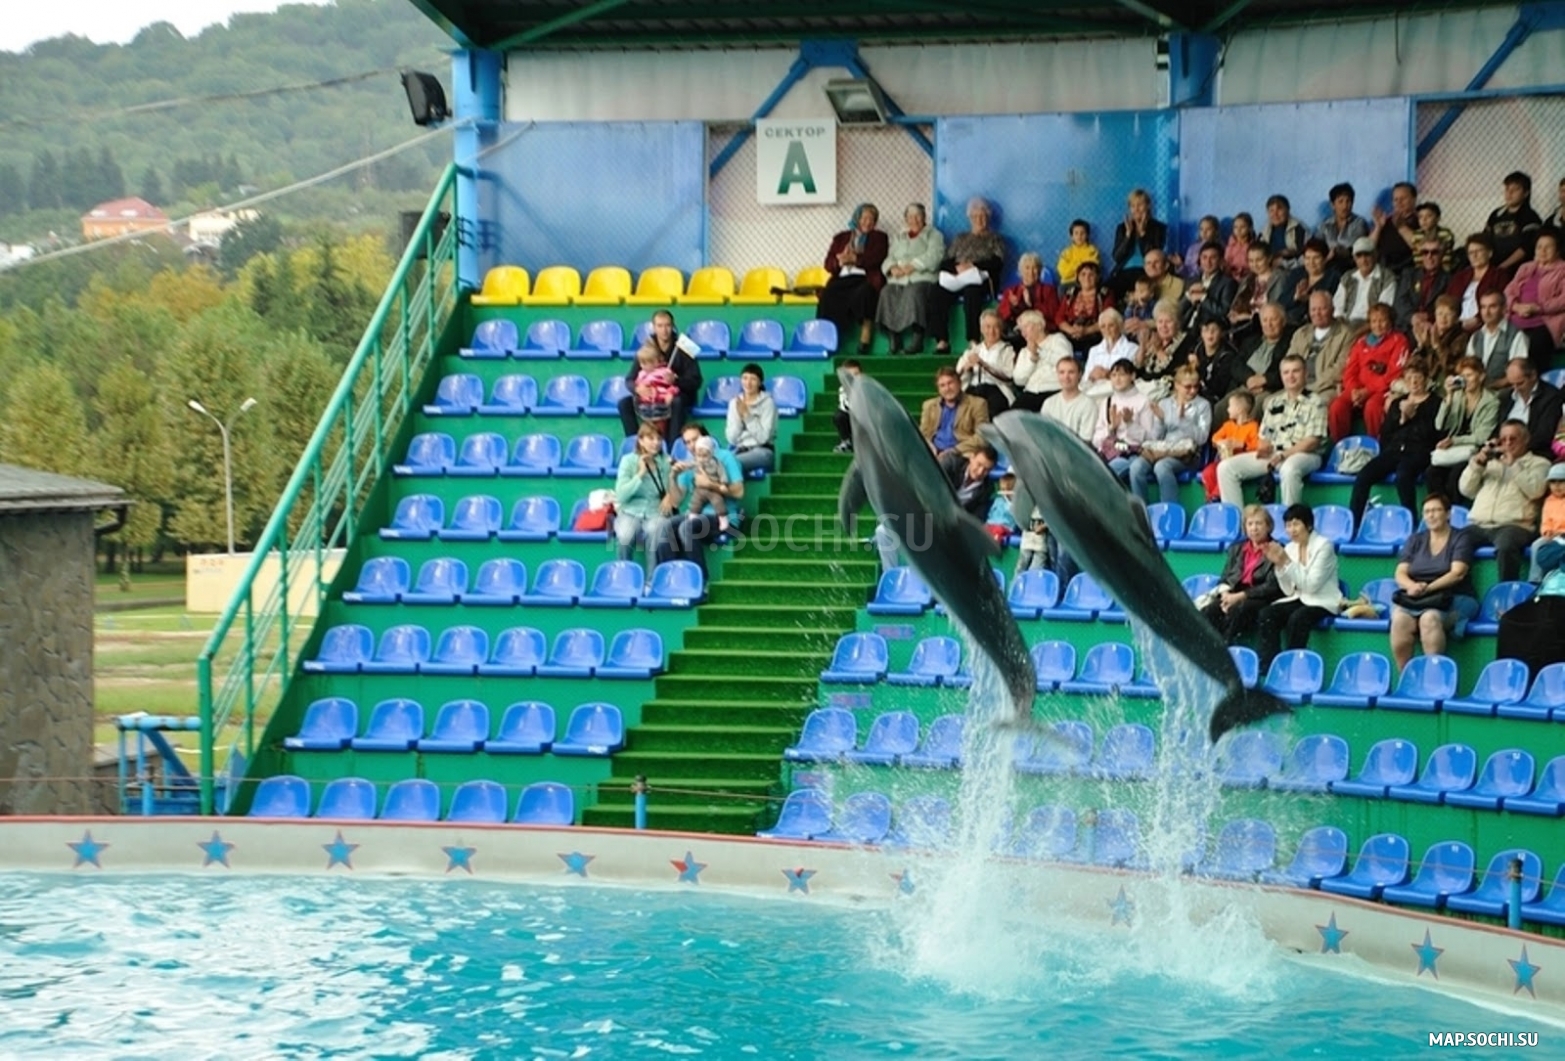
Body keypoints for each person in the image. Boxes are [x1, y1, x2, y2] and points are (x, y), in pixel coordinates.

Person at [1217, 354, 1327, 507]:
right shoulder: (1273, 402)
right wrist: (1263, 446)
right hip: (1274, 455)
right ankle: (1237, 524)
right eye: (1286, 372)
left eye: (1296, 371)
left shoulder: (1316, 402)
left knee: (1289, 469)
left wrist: (1284, 455)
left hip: (1304, 455)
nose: (1291, 376)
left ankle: (1290, 523)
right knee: (1226, 468)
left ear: (1305, 373)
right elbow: (1264, 437)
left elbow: (1312, 442)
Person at [1388, 494, 1479, 672]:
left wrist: (1427, 588)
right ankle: (1406, 678)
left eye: (1437, 510)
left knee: (1429, 618)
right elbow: (1400, 572)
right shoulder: (1415, 539)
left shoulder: (1461, 538)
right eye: (1427, 512)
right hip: (1418, 596)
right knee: (1399, 621)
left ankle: (1433, 678)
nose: (1431, 515)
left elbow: (1457, 573)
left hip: (1455, 596)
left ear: (1448, 514)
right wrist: (1411, 586)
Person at [872, 445, 997, 571]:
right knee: (883, 532)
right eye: (979, 464)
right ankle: (890, 575)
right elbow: (928, 489)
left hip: (950, 532)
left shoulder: (986, 489)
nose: (980, 471)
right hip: (924, 516)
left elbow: (977, 519)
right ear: (971, 457)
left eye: (986, 470)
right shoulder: (951, 463)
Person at [1346, 358, 1441, 525]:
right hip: (1394, 450)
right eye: (1409, 377)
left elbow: (1434, 434)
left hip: (1419, 451)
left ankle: (1410, 522)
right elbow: (1386, 433)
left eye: (1418, 376)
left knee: (1403, 475)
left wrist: (1413, 417)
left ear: (1426, 378)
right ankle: (1353, 524)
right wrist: (1403, 419)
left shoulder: (1436, 403)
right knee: (1364, 475)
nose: (1414, 381)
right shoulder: (1397, 403)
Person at [1459, 418, 1551, 582]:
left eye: (1513, 438)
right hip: (1479, 524)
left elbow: (1536, 491)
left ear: (1526, 440)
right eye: (1503, 439)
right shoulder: (1489, 463)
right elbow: (1466, 490)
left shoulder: (1539, 463)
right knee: (1456, 540)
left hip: (1515, 525)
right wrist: (1478, 464)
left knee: (1506, 545)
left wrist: (1514, 465)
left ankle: (1506, 591)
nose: (1507, 443)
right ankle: (1461, 591)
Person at [1255, 504, 1343, 673]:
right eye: (1288, 525)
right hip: (1299, 598)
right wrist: (1279, 565)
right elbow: (1288, 590)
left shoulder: (1324, 546)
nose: (1291, 530)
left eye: (1296, 524)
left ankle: (1292, 668)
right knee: (1267, 614)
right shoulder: (1289, 548)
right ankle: (1269, 667)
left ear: (1308, 525)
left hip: (1322, 601)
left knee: (1298, 618)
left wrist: (1285, 562)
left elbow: (1311, 585)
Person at [666, 423, 744, 578]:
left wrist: (710, 485)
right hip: (696, 516)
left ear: (706, 439)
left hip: (723, 517)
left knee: (686, 527)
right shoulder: (691, 463)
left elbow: (739, 492)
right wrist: (673, 477)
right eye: (687, 442)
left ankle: (701, 581)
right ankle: (670, 578)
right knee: (666, 525)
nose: (691, 445)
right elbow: (676, 501)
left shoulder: (725, 457)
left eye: (695, 439)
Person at [928, 197, 1006, 354]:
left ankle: (973, 339)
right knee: (936, 292)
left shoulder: (995, 239)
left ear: (988, 218)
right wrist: (956, 268)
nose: (980, 220)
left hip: (980, 279)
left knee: (972, 291)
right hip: (957, 279)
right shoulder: (960, 238)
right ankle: (942, 340)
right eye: (976, 216)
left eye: (983, 216)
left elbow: (998, 262)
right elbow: (945, 262)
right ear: (970, 218)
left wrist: (973, 265)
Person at [1201, 504, 1283, 645]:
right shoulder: (1236, 548)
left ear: (1268, 526)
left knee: (1237, 610)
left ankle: (1225, 648)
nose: (1254, 528)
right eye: (1250, 524)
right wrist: (1226, 594)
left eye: (1259, 523)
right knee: (1210, 610)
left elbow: (1271, 587)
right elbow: (1225, 577)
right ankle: (1206, 648)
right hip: (1233, 593)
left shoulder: (1277, 549)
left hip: (1259, 597)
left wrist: (1239, 597)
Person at [1424, 355, 1500, 506]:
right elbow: (1440, 425)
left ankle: (1455, 513)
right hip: (1453, 449)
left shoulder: (1492, 401)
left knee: (1455, 475)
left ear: (1481, 376)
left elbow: (1481, 436)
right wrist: (1449, 397)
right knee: (1432, 473)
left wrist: (1454, 440)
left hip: (1474, 450)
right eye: (1463, 376)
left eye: (1470, 375)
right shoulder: (1457, 396)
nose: (1466, 379)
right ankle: (1440, 510)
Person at [615, 310, 702, 440]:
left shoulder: (684, 346)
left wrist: (675, 381)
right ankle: (635, 443)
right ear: (654, 327)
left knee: (677, 401)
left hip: (678, 394)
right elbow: (629, 379)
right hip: (652, 394)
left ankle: (672, 445)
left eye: (667, 325)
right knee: (624, 403)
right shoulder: (647, 347)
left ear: (673, 326)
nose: (664, 330)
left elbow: (696, 381)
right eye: (660, 326)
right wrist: (638, 389)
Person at [1131, 365, 1211, 505]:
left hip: (1187, 454)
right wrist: (1161, 420)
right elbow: (1156, 437)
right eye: (1188, 387)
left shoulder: (1203, 405)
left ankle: (1170, 509)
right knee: (1136, 467)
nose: (1192, 391)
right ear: (1177, 385)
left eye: (1196, 387)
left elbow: (1202, 438)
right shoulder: (1165, 403)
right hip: (1163, 449)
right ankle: (1141, 509)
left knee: (1162, 467)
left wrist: (1184, 421)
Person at [1329, 303, 1411, 440]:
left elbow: (1394, 374)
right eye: (1374, 321)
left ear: (1390, 321)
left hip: (1383, 389)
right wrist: (1354, 390)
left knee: (1373, 407)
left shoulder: (1399, 341)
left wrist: (1368, 391)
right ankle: (1339, 445)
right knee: (1337, 406)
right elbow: (1350, 371)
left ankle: (1377, 444)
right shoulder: (1361, 342)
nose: (1378, 325)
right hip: (1357, 388)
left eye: (1382, 320)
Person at [817, 203, 888, 355]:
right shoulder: (841, 238)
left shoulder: (879, 238)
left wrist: (855, 259)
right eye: (864, 218)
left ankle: (866, 333)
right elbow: (828, 263)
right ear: (857, 218)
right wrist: (840, 261)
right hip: (842, 278)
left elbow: (877, 258)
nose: (867, 222)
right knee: (828, 295)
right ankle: (828, 338)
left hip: (864, 278)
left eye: (871, 219)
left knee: (866, 293)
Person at [875, 202, 944, 354]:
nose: (914, 220)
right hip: (898, 279)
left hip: (922, 277)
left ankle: (917, 338)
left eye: (918, 216)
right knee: (887, 292)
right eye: (910, 216)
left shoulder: (934, 234)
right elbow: (889, 258)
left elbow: (935, 256)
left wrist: (913, 266)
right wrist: (892, 268)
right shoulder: (899, 237)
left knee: (914, 292)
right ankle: (894, 337)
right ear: (906, 219)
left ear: (924, 217)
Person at [613, 422, 678, 579]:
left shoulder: (666, 462)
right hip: (630, 510)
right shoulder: (628, 461)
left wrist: (670, 495)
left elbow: (679, 487)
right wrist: (640, 473)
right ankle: (624, 578)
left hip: (656, 511)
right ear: (641, 440)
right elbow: (621, 495)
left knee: (655, 533)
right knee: (625, 536)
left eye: (658, 438)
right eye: (651, 438)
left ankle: (651, 581)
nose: (656, 443)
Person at [1503, 229, 1565, 370]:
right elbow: (1508, 291)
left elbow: (1563, 300)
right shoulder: (1525, 268)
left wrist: (1538, 308)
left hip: (1544, 323)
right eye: (1539, 247)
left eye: (1548, 247)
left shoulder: (1563, 270)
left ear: (1558, 250)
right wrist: (1516, 306)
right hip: (1515, 318)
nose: (1542, 250)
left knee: (1535, 348)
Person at [1093, 358, 1159, 485]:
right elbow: (1096, 440)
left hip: (1133, 454)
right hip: (1110, 453)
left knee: (1109, 472)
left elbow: (1150, 438)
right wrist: (1111, 428)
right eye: (1114, 375)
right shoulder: (1107, 402)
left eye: (1122, 374)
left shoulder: (1143, 401)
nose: (1117, 379)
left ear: (1132, 376)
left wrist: (1130, 423)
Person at [1285, 289, 1352, 406]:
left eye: (1322, 309)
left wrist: (1311, 387)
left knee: (1314, 403)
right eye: (1313, 309)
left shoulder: (1345, 334)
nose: (1317, 313)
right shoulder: (1301, 333)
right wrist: (1297, 385)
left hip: (1326, 388)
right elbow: (1289, 362)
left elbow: (1340, 368)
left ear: (1332, 310)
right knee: (1270, 403)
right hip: (1297, 386)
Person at [956, 309, 1017, 419]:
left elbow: (1008, 377)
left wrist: (984, 365)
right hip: (975, 388)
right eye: (988, 327)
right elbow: (957, 375)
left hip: (997, 389)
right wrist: (966, 368)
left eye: (996, 327)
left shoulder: (1007, 350)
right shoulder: (973, 350)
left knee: (991, 409)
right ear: (982, 329)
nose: (992, 331)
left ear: (1001, 329)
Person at [1202, 389, 1262, 501]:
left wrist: (1242, 445)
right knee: (1208, 472)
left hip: (1242, 463)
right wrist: (1221, 442)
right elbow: (1215, 438)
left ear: (1239, 409)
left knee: (1224, 471)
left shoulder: (1253, 426)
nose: (1227, 409)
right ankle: (1211, 498)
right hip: (1224, 459)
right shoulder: (1228, 425)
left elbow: (1256, 446)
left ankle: (1216, 497)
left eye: (1230, 406)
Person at [1500, 357, 1565, 459]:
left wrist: (1515, 448)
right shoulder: (1506, 397)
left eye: (1520, 383)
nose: (1516, 389)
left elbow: (1543, 435)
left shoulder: (1551, 397)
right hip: (1504, 451)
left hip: (1534, 454)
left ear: (1533, 376)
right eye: (1512, 384)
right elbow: (1497, 427)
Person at [1010, 309, 1074, 412]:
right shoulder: (1024, 351)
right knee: (1010, 418)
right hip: (1031, 392)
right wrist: (1032, 359)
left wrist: (1040, 352)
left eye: (1026, 327)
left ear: (1039, 325)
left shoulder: (1057, 339)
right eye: (1021, 330)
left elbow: (1065, 363)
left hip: (1054, 391)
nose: (1023, 333)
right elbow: (1019, 380)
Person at [1447, 232, 1510, 334]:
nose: (1474, 256)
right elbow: (1448, 301)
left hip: (1483, 324)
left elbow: (1501, 302)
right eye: (1471, 253)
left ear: (1489, 253)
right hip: (1456, 324)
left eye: (1479, 251)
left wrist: (1477, 319)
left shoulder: (1498, 275)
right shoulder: (1460, 277)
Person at [920, 365, 989, 458]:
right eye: (942, 385)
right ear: (938, 389)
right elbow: (923, 433)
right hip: (933, 452)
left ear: (959, 383)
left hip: (960, 453)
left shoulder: (978, 404)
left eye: (950, 383)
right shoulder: (929, 406)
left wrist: (954, 450)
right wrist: (930, 448)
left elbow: (982, 437)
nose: (947, 388)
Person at [1110, 188, 1168, 292]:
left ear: (1148, 206)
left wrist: (1142, 234)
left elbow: (1153, 256)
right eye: (1133, 206)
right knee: (1107, 290)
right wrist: (1128, 236)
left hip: (1146, 272)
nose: (1136, 209)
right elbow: (1117, 257)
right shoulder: (1122, 228)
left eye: (1140, 205)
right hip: (1124, 271)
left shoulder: (1159, 228)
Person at [1466, 290, 1530, 384]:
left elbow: (1518, 374)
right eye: (1483, 307)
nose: (1487, 312)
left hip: (1504, 393)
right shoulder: (1475, 337)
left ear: (1504, 309)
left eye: (1492, 307)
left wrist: (1493, 386)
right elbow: (1468, 368)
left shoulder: (1517, 336)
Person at [997, 252, 1060, 348]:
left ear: (1039, 271)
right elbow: (1001, 314)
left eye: (1035, 268)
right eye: (1027, 268)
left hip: (1041, 330)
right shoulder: (1011, 291)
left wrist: (1030, 305)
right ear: (1021, 271)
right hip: (1016, 332)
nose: (1031, 272)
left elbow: (1053, 314)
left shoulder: (1049, 290)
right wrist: (1014, 306)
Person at [725, 363, 777, 474]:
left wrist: (747, 416)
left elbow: (763, 438)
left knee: (729, 464)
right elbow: (732, 439)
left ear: (760, 382)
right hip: (740, 450)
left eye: (753, 379)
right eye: (745, 378)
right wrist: (739, 416)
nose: (748, 383)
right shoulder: (735, 403)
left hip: (763, 451)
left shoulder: (768, 403)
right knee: (715, 464)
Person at [1332, 237, 1397, 326]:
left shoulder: (1387, 277)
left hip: (1372, 325)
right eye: (1359, 256)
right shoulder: (1347, 277)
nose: (1363, 260)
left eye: (1367, 255)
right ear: (1354, 258)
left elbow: (1383, 311)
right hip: (1346, 324)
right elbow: (1337, 307)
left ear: (1375, 255)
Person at [1487, 170, 1543, 272]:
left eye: (1515, 189)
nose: (1509, 193)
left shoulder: (1531, 217)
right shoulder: (1495, 214)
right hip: (1493, 266)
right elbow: (1485, 239)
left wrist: (1502, 267)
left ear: (1526, 193)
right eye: (1507, 189)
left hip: (1517, 270)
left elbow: (1525, 249)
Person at [1396, 238, 1453, 335]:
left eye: (1434, 252)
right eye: (1425, 252)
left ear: (1442, 254)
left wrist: (1428, 316)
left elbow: (1448, 306)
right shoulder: (1409, 274)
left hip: (1433, 327)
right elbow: (1400, 301)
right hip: (1406, 326)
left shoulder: (1449, 279)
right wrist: (1412, 317)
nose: (1429, 256)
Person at [1056, 260, 1112, 354]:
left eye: (1091, 274)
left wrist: (1086, 331)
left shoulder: (1105, 294)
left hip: (1094, 335)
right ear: (1078, 277)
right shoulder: (1070, 293)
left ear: (1097, 278)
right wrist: (1071, 330)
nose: (1087, 278)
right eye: (1083, 274)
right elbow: (1059, 317)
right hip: (1071, 333)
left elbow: (1109, 318)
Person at [1041, 356, 1098, 443]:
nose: (1066, 377)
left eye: (1071, 372)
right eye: (1062, 372)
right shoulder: (1049, 402)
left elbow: (1085, 441)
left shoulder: (1089, 404)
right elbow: (1044, 433)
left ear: (1080, 375)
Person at [1410, 294, 1465, 383]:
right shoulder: (1430, 332)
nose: (1443, 318)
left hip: (1444, 382)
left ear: (1456, 318)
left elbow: (1451, 366)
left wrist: (1437, 346)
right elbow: (1414, 365)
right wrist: (1421, 346)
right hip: (1424, 380)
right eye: (1440, 313)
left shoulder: (1461, 337)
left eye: (1448, 314)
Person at [1316, 181, 1371, 269]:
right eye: (1340, 202)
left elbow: (1352, 248)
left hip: (1352, 265)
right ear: (1332, 205)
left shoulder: (1359, 222)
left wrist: (1333, 252)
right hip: (1328, 263)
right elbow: (1317, 246)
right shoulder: (1325, 225)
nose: (1345, 206)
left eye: (1348, 201)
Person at [1184, 240, 1239, 327]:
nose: (1208, 262)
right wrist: (1188, 295)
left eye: (1213, 258)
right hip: (1187, 326)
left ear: (1221, 260)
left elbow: (1224, 312)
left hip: (1210, 328)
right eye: (1204, 257)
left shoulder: (1228, 283)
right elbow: (1179, 310)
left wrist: (1203, 298)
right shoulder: (1192, 280)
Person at [1284, 238, 1338, 327]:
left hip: (1314, 324)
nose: (1311, 262)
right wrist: (1296, 297)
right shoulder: (1296, 274)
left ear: (1325, 259)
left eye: (1316, 258)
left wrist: (1309, 299)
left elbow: (1330, 306)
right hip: (1288, 322)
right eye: (1307, 258)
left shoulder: (1333, 278)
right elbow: (1280, 302)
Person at [1369, 180, 1419, 275]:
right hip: (1382, 269)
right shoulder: (1386, 221)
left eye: (1403, 198)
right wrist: (1378, 227)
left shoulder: (1421, 219)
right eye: (1395, 199)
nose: (1399, 202)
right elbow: (1368, 247)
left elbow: (1420, 246)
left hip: (1407, 271)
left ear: (1414, 199)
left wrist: (1401, 227)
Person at [1082, 308, 1136, 396]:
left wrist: (1107, 374)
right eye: (1103, 327)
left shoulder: (1131, 348)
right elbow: (1085, 380)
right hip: (1093, 393)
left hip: (1117, 394)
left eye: (1111, 325)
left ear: (1119, 326)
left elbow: (1129, 378)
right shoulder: (1094, 351)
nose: (1107, 330)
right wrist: (1091, 376)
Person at [686, 435, 734, 533]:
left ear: (711, 454)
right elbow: (688, 465)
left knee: (718, 502)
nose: (702, 459)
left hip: (713, 489)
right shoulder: (696, 462)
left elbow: (722, 473)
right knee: (695, 502)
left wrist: (723, 484)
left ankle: (723, 518)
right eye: (699, 456)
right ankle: (693, 516)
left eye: (705, 456)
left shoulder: (716, 463)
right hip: (700, 490)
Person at [632, 343, 680, 436]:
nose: (642, 366)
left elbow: (673, 387)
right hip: (645, 407)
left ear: (655, 362)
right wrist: (639, 389)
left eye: (646, 363)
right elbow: (637, 386)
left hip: (660, 405)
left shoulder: (664, 372)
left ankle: (661, 441)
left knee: (659, 430)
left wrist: (670, 393)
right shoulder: (641, 374)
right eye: (641, 363)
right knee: (647, 429)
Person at [1528, 463, 1565, 582]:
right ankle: (1535, 579)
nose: (1557, 485)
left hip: (1563, 535)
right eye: (1553, 482)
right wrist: (1547, 531)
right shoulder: (1549, 501)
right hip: (1553, 535)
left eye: (1561, 481)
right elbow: (1546, 520)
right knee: (1537, 545)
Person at [1259, 194, 1308, 266]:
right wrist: (1278, 254)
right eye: (1271, 210)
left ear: (1288, 210)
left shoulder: (1298, 228)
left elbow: (1306, 253)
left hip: (1295, 267)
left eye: (1279, 209)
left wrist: (1290, 255)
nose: (1275, 214)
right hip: (1271, 267)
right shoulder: (1264, 231)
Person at [1056, 218, 1101, 286]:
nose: (1079, 236)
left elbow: (1092, 270)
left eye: (1082, 233)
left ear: (1087, 235)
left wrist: (1072, 266)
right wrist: (1080, 263)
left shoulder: (1092, 251)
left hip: (1087, 282)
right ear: (1072, 236)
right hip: (1068, 283)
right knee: (1062, 289)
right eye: (1076, 233)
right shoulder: (1066, 252)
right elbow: (1064, 273)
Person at [1415, 201, 1458, 272]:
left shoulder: (1445, 233)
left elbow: (1444, 247)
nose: (1424, 220)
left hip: (1444, 268)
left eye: (1428, 216)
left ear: (1438, 218)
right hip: (1421, 269)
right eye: (1420, 217)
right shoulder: (1416, 235)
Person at [832, 359, 862, 453]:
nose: (854, 377)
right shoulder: (843, 389)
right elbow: (845, 407)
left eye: (856, 374)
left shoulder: (865, 388)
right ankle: (846, 441)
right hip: (852, 417)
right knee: (839, 416)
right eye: (850, 375)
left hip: (865, 418)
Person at [1225, 211, 1256, 280]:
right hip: (1231, 275)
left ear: (1250, 228)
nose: (1238, 230)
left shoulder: (1253, 245)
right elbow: (1227, 261)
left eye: (1242, 227)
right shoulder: (1230, 245)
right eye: (1235, 227)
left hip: (1248, 275)